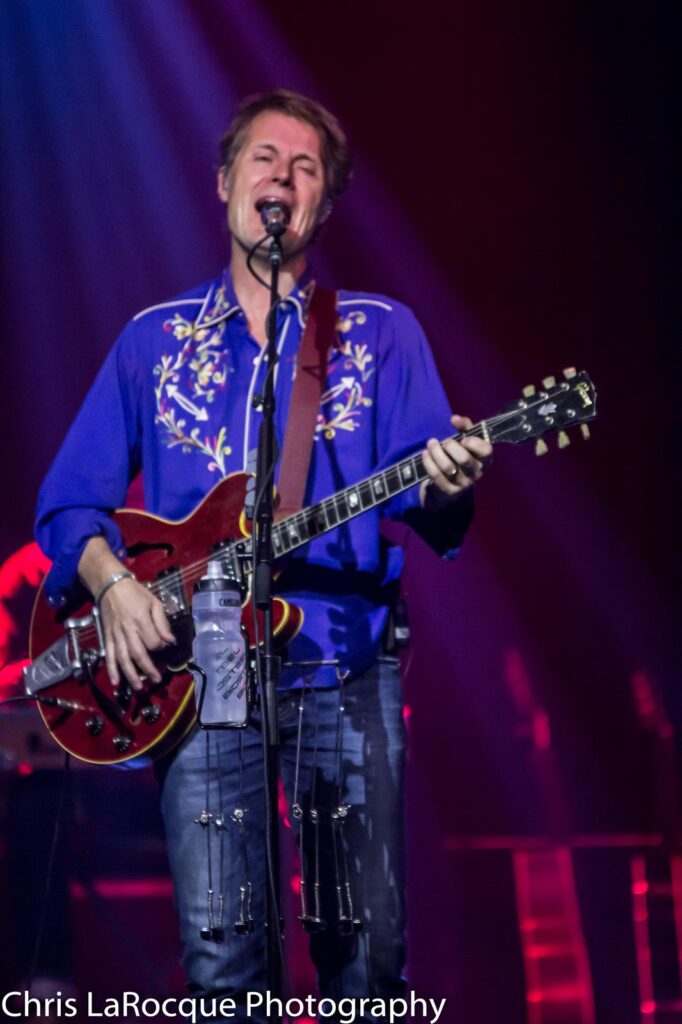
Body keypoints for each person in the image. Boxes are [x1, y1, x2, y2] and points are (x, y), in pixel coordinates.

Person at [35, 90, 492, 1021]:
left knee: (364, 963)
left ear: (323, 206)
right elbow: (67, 503)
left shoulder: (379, 330)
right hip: (201, 680)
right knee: (223, 971)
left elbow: (426, 500)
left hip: (344, 664)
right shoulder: (152, 342)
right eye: (263, 159)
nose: (281, 177)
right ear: (223, 184)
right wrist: (114, 586)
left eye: (306, 167)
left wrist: (450, 478)